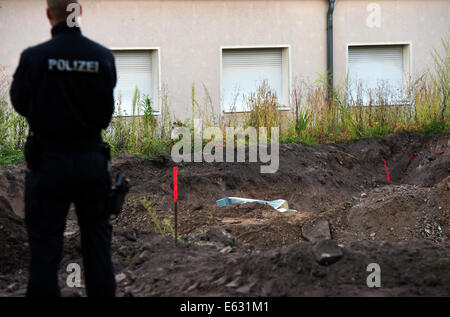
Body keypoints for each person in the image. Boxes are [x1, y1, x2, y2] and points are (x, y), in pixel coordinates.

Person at [10, 0, 117, 297]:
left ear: (48, 14)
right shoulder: (103, 57)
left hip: (48, 163)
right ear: (78, 12)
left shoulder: (34, 58)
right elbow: (105, 112)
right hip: (91, 164)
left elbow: (19, 103)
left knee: (44, 249)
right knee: (97, 246)